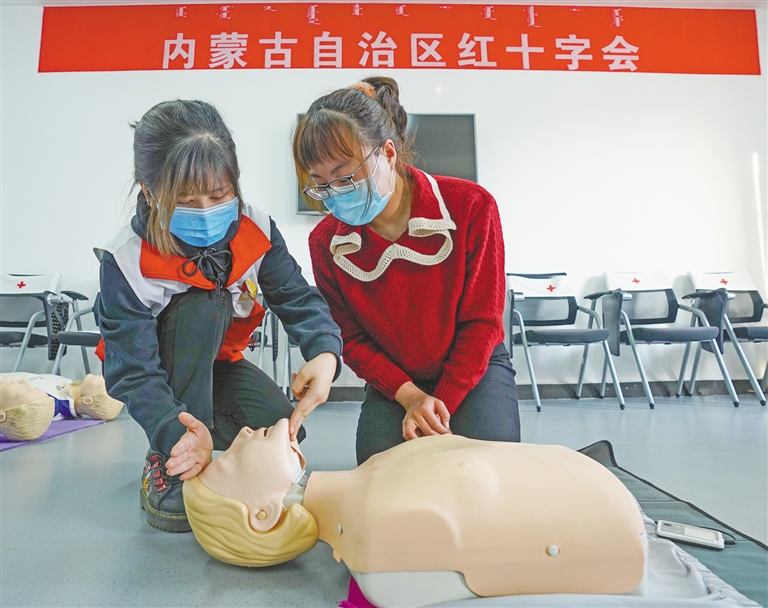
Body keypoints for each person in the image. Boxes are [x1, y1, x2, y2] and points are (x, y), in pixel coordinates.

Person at [97, 100, 342, 532]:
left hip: (218, 363)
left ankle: (207, 445)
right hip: (161, 374)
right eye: (185, 200)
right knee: (203, 303)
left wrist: (325, 351)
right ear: (149, 192)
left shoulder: (256, 228)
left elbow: (295, 296)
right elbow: (133, 370)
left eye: (219, 195)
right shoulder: (126, 259)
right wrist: (170, 430)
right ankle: (169, 455)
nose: (206, 211)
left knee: (281, 427)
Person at [180, 414, 648, 607]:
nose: (239, 436)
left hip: (597, 500)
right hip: (606, 517)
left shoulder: (372, 481)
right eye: (230, 460)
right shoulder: (380, 526)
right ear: (263, 516)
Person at [292, 76, 520, 464]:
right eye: (322, 185)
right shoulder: (326, 242)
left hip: (473, 370)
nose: (336, 193)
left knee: (486, 466)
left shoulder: (470, 206)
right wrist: (411, 397)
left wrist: (439, 403)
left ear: (388, 152)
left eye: (345, 176)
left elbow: (483, 322)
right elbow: (353, 340)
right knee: (382, 472)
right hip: (396, 382)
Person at [0, 374, 123, 441]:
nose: (24, 382)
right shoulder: (65, 382)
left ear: (88, 400)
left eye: (106, 386)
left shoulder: (47, 401)